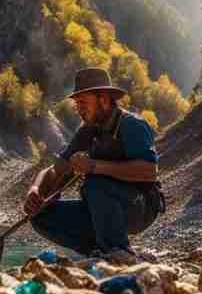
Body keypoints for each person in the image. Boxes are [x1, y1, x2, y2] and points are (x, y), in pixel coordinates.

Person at [24, 68, 164, 264]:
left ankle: (118, 251)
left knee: (95, 182)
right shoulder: (88, 130)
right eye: (77, 104)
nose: (79, 109)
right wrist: (36, 189)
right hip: (103, 206)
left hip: (141, 207)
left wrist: (94, 166)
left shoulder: (132, 125)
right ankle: (100, 252)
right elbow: (56, 169)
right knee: (40, 216)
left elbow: (149, 171)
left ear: (104, 100)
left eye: (83, 103)